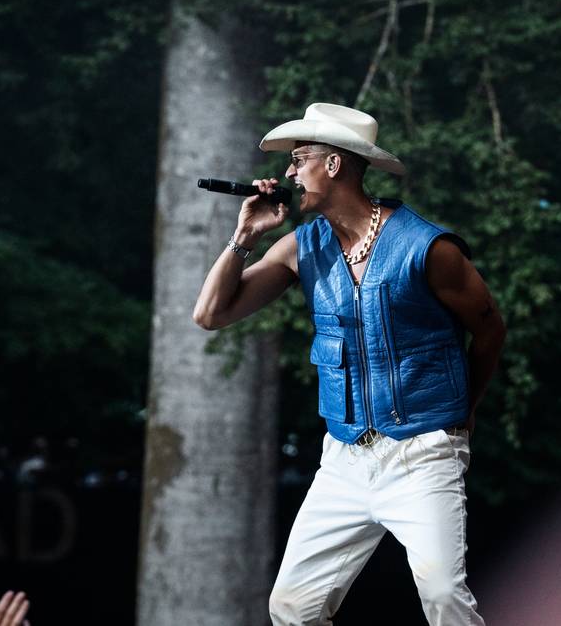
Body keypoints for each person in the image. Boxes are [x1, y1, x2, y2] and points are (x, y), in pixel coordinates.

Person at [193, 103, 505, 625]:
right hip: (344, 458)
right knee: (292, 607)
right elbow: (211, 314)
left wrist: (465, 410)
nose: (288, 173)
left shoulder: (428, 249)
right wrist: (244, 237)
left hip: (422, 453)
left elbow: (490, 329)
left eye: (298, 159)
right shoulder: (303, 246)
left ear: (333, 165)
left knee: (445, 596)